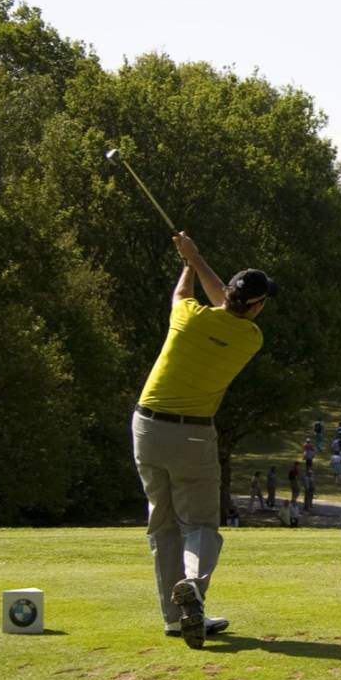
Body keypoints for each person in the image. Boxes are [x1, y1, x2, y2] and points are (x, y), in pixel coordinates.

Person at [132, 231, 271, 649]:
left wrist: (189, 261)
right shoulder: (250, 338)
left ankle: (176, 619)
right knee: (201, 526)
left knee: (162, 525)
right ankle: (191, 586)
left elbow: (183, 293)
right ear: (258, 306)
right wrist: (195, 257)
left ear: (226, 295)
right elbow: (227, 306)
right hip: (191, 435)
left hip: (145, 427)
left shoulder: (188, 316)